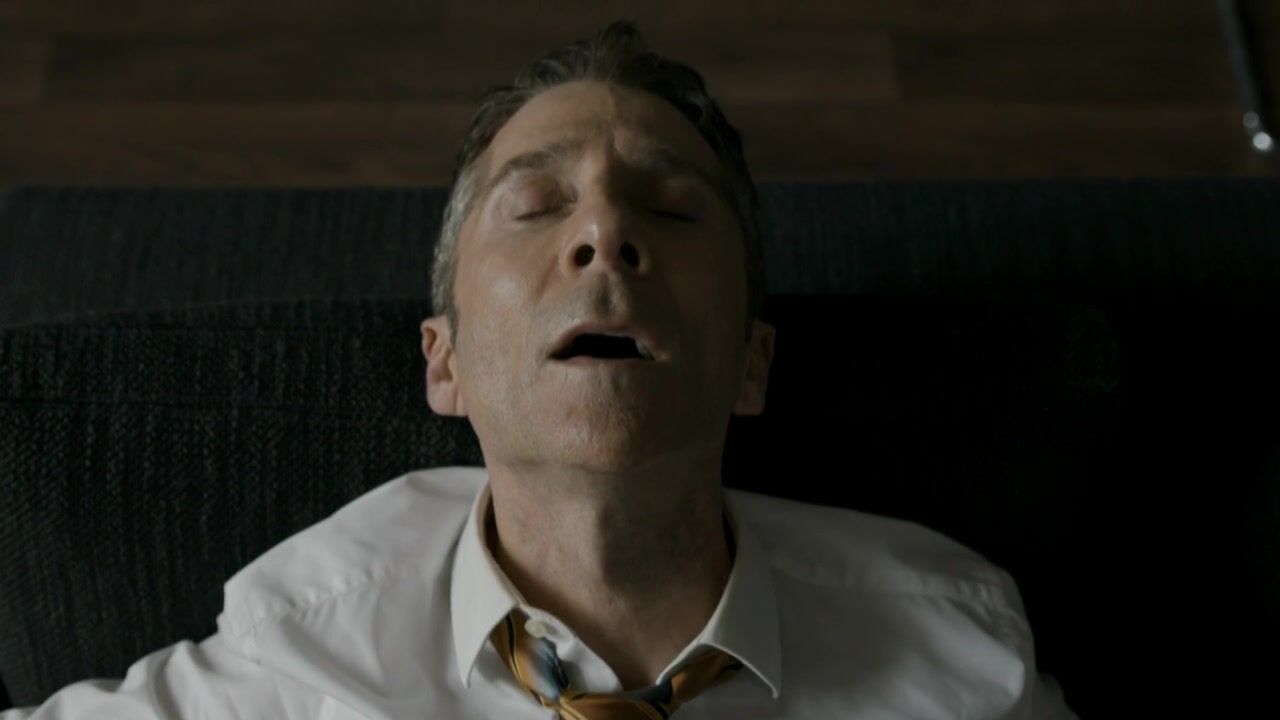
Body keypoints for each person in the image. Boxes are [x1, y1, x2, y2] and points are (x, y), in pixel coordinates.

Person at [2, 19, 1078, 719]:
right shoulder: (297, 661)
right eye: (535, 205)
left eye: (670, 207)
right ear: (445, 365)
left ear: (752, 364)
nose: (605, 234)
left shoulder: (962, 665)